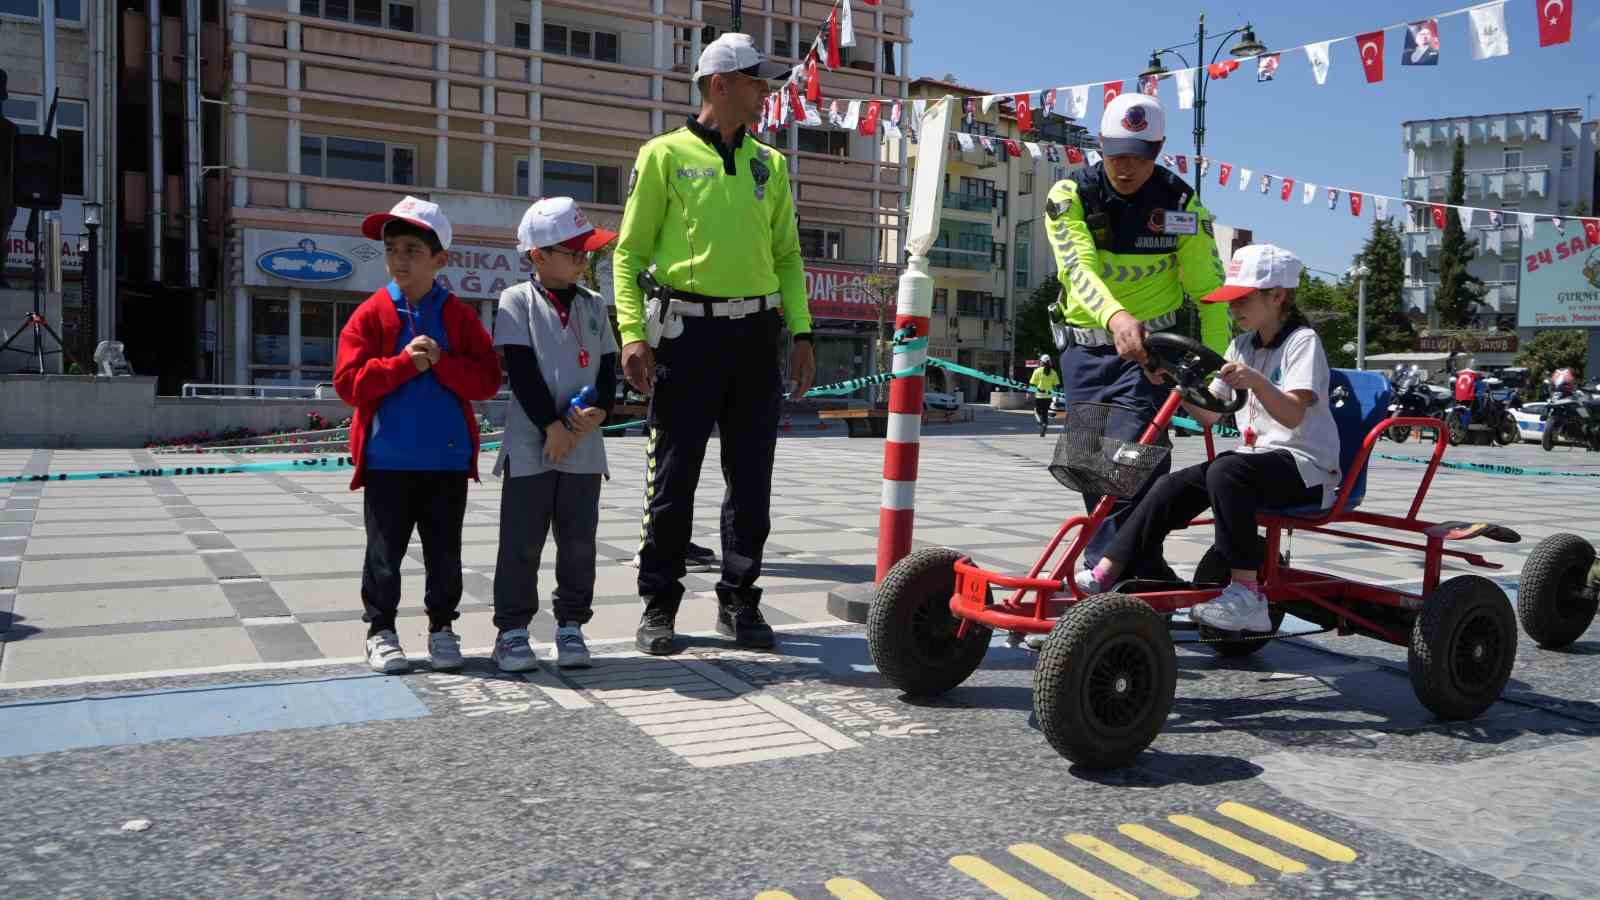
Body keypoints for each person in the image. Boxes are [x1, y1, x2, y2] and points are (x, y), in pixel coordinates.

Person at [612, 33, 816, 656]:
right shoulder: (663, 155)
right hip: (685, 334)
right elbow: (629, 255)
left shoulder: (770, 163)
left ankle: (740, 601)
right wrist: (631, 335)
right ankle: (658, 605)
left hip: (757, 335)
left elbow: (787, 255)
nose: (765, 91)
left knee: (752, 479)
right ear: (720, 84)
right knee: (674, 477)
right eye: (756, 81)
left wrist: (802, 334)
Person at [1076, 244, 1341, 632]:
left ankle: (1247, 594)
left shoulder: (1302, 341)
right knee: (1174, 483)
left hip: (1306, 469)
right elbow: (1212, 413)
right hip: (1256, 462)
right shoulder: (1243, 345)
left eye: (1242, 300)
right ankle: (1108, 569)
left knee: (1227, 471)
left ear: (1278, 296)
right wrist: (1175, 382)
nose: (1234, 310)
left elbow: (1293, 413)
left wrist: (1256, 382)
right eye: (1230, 302)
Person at [1043, 91, 1228, 582]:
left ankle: (1110, 570)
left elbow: (1211, 294)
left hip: (1150, 357)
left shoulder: (1182, 204)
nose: (1126, 167)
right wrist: (1115, 315)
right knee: (1089, 465)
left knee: (1133, 458)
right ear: (1100, 143)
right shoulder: (1070, 196)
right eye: (1117, 153)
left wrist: (1221, 376)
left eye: (1140, 156)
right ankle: (1135, 569)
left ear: (1159, 149)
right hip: (1083, 350)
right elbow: (1076, 268)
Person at [334, 197, 503, 674]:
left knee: (444, 553)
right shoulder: (371, 314)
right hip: (387, 460)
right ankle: (381, 631)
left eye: (412, 249)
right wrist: (404, 364)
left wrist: (444, 363)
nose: (399, 259)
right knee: (383, 553)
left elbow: (488, 381)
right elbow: (348, 384)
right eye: (391, 249)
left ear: (440, 259)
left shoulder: (460, 317)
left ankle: (442, 628)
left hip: (446, 461)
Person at [490, 197, 619, 672]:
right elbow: (520, 371)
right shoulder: (515, 301)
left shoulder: (594, 304)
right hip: (531, 444)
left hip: (584, 448)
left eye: (588, 253)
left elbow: (608, 369)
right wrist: (552, 427)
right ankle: (512, 631)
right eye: (575, 252)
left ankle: (571, 625)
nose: (585, 261)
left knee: (579, 542)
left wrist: (599, 412)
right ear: (538, 256)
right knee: (521, 541)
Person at [1029, 354, 1061, 437]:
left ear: (1041, 362)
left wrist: (1029, 393)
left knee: (1037, 411)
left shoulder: (1037, 371)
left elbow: (1032, 384)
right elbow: (1057, 385)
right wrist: (1057, 396)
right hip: (1048, 396)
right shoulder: (1053, 372)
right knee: (1045, 413)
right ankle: (1045, 425)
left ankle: (1041, 423)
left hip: (1039, 396)